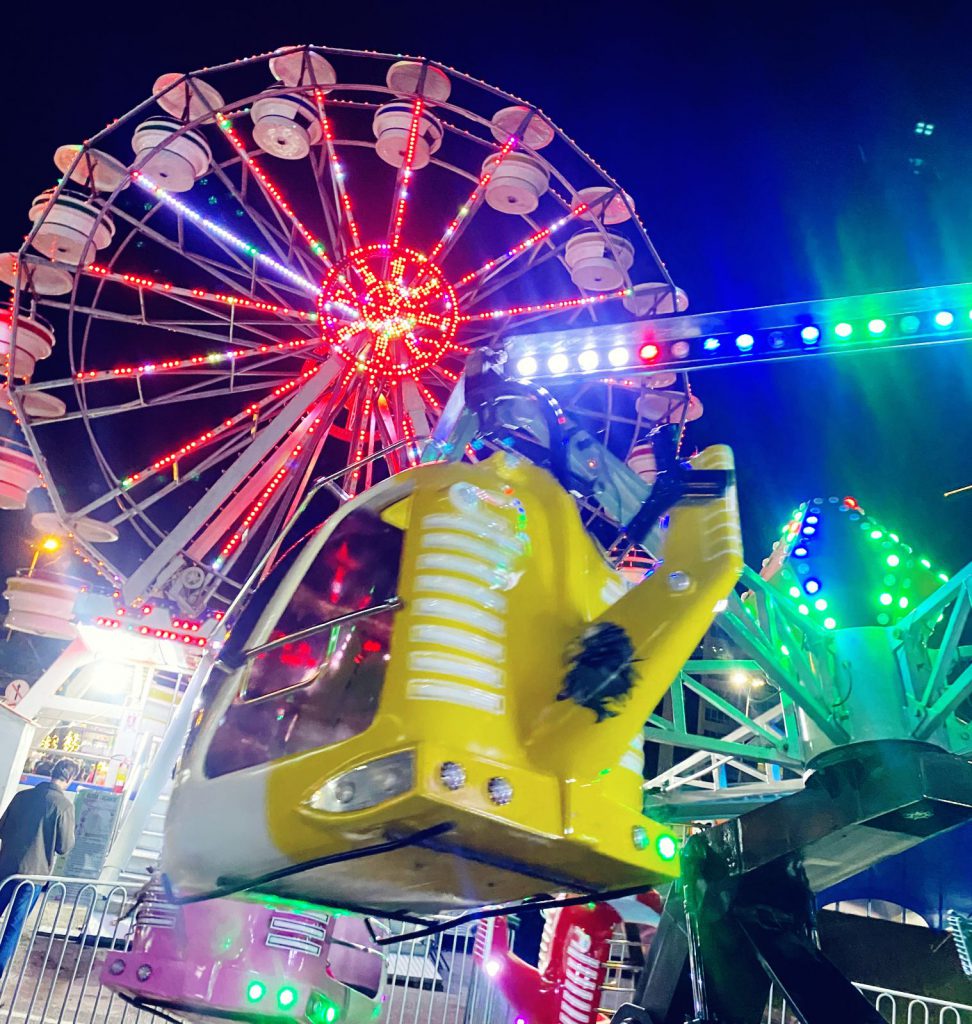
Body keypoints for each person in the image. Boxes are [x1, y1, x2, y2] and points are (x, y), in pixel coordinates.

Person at [0, 759, 77, 976]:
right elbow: (64, 847)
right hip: (33, 876)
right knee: (13, 927)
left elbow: (2, 828)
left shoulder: (22, 796)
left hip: (5, 869)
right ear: (71, 779)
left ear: (51, 772)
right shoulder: (64, 806)